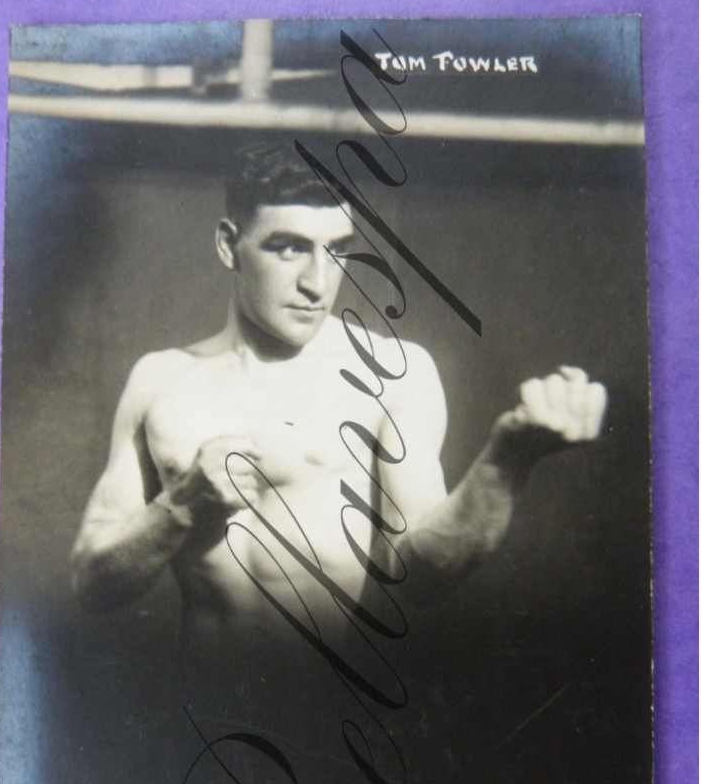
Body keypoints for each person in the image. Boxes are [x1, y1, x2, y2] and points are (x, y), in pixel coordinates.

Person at [70, 143, 607, 668]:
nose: (317, 284)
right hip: (200, 713)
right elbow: (92, 585)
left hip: (318, 715)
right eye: (289, 248)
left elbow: (422, 576)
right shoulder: (160, 379)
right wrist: (178, 509)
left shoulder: (390, 373)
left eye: (337, 250)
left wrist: (505, 461)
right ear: (229, 244)